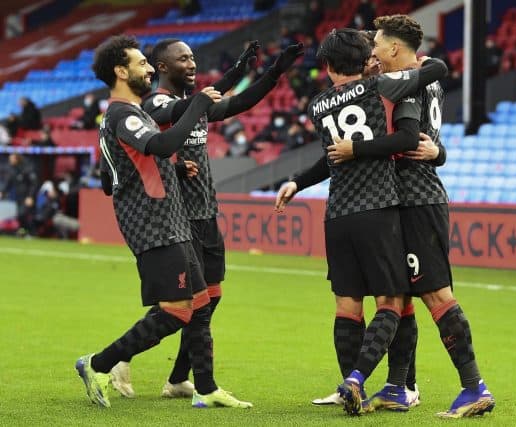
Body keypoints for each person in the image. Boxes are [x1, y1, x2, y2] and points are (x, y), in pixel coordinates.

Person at [108, 38, 304, 401]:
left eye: (193, 57)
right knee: (187, 306)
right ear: (162, 67)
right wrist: (235, 73)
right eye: (183, 59)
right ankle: (122, 359)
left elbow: (238, 103)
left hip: (207, 213)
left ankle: (178, 378)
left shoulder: (193, 105)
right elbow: (185, 108)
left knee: (209, 301)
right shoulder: (155, 105)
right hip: (178, 219)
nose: (192, 63)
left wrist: (275, 71)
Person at [329, 15, 495, 418]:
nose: (372, 54)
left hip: (416, 200)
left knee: (436, 294)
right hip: (407, 198)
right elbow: (432, 143)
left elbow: (408, 141)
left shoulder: (409, 81)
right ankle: (396, 387)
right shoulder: (427, 79)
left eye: (377, 47)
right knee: (398, 295)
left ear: (393, 49)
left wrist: (355, 150)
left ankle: (474, 386)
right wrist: (440, 154)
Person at [275, 28, 448, 416]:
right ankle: (360, 380)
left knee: (347, 306)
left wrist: (296, 182)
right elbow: (434, 71)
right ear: (364, 59)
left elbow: (332, 156)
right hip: (379, 210)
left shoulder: (318, 104)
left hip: (337, 214)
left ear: (327, 66)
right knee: (392, 301)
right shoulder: (383, 87)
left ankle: (349, 389)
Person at [74, 34, 246, 410]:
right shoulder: (122, 114)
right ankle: (98, 364)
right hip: (154, 224)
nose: (149, 68)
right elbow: (162, 145)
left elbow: (111, 177)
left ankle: (206, 388)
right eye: (141, 63)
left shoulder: (127, 116)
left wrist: (172, 168)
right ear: (121, 71)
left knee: (200, 305)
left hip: (172, 220)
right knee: (176, 310)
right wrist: (198, 104)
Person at [0, 153, 37, 236]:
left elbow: (33, 184)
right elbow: (8, 183)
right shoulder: (12, 170)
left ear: (17, 159)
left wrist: (30, 196)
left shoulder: (26, 169)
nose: (10, 161)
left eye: (11, 159)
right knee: (19, 216)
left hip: (27, 197)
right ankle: (25, 232)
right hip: (19, 197)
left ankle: (33, 232)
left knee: (23, 214)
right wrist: (2, 192)